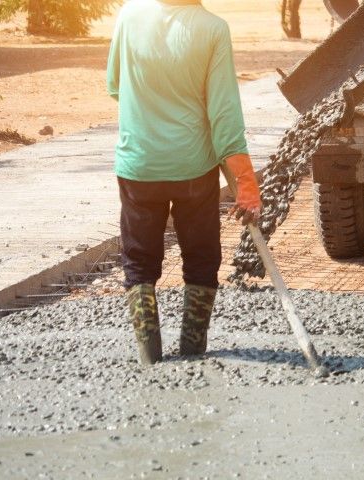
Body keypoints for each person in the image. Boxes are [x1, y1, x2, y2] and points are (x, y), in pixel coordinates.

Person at [106, 0, 261, 365]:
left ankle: (149, 356)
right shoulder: (213, 29)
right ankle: (192, 352)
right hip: (193, 169)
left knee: (139, 261)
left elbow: (115, 85)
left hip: (138, 166)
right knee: (202, 257)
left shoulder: (129, 14)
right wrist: (246, 181)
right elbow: (223, 115)